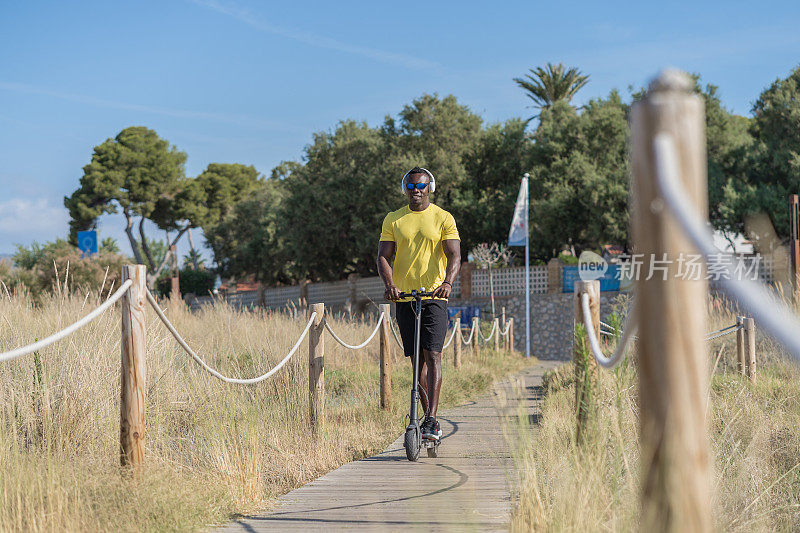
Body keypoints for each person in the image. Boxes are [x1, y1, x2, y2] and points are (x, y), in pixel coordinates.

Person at [377, 167, 461, 441]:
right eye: (411, 186)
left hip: (435, 297)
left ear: (430, 187)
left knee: (433, 355)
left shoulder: (443, 218)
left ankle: (433, 420)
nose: (417, 191)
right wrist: (390, 285)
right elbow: (383, 257)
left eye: (422, 185)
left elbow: (454, 255)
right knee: (417, 362)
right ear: (405, 189)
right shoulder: (393, 219)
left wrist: (447, 283)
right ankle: (425, 419)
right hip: (405, 298)